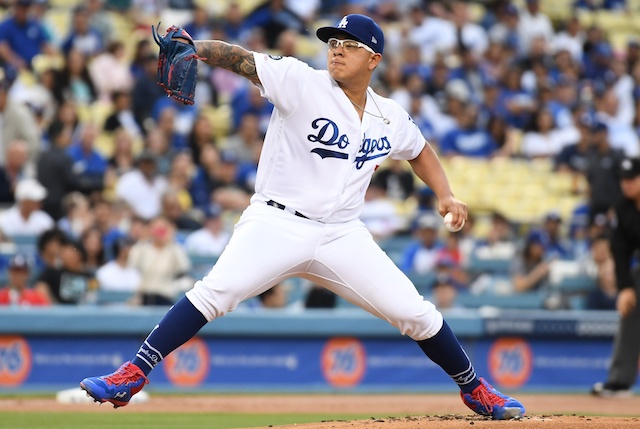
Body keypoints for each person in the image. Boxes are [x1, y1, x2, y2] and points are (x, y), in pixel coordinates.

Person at [79, 15, 525, 419]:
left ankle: (475, 389)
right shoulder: (301, 81)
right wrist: (199, 48)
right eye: (333, 40)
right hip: (277, 221)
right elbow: (243, 60)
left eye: (348, 43)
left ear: (373, 59)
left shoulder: (389, 115)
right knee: (215, 292)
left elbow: (420, 150)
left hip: (342, 234)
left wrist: (445, 194)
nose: (336, 47)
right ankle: (131, 376)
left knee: (417, 314)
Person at [592, 157, 640, 397]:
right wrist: (625, 288)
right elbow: (620, 251)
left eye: (631, 179)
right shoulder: (622, 208)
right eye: (623, 179)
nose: (626, 184)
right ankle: (620, 380)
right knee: (629, 309)